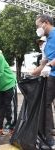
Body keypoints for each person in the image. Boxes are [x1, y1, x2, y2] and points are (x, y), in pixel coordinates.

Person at [32, 14, 55, 147]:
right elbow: (42, 64)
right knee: (46, 105)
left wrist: (50, 65)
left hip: (51, 71)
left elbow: (47, 65)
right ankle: (49, 137)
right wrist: (30, 74)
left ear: (46, 22)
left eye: (38, 25)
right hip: (51, 77)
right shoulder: (45, 43)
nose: (38, 28)